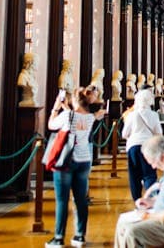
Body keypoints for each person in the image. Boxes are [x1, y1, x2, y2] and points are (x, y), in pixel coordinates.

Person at [46, 87, 105, 248]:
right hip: (84, 160)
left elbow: (51, 125)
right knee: (80, 200)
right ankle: (79, 236)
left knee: (62, 200)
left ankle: (58, 238)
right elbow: (75, 117)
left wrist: (56, 107)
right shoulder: (90, 118)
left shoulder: (67, 115)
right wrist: (66, 107)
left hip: (66, 161)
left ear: (74, 100)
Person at [122, 88, 161, 201]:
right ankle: (152, 198)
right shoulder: (154, 115)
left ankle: (137, 200)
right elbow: (159, 133)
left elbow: (124, 134)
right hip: (148, 146)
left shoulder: (131, 115)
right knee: (149, 174)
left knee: (134, 175)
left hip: (133, 146)